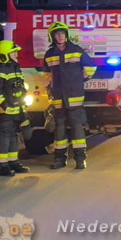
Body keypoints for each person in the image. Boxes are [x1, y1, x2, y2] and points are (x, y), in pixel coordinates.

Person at [42, 21, 96, 170]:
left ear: (66, 35)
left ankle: (80, 159)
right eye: (57, 34)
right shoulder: (50, 54)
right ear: (53, 37)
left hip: (74, 94)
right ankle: (60, 159)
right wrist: (49, 87)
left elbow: (91, 67)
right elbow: (47, 74)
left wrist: (81, 79)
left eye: (62, 33)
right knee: (59, 127)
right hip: (58, 95)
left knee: (76, 126)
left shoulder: (76, 50)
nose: (60, 36)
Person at [0, 40, 31, 177]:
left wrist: (23, 109)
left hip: (17, 111)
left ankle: (13, 162)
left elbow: (21, 90)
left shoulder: (16, 69)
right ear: (4, 55)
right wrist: (5, 105)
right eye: (13, 52)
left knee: (13, 137)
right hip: (5, 113)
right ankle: (2, 166)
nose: (16, 54)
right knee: (4, 138)